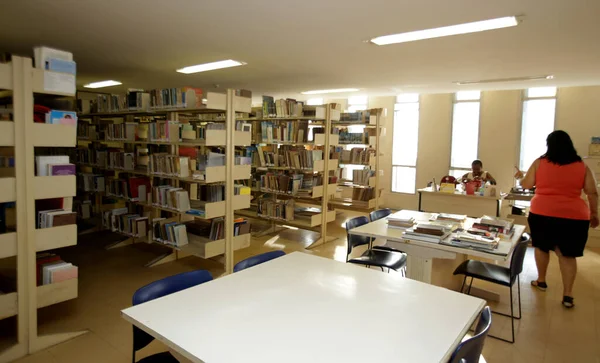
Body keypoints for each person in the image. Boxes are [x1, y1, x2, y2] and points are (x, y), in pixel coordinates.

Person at [515, 130, 599, 308]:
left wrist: (521, 178)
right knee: (567, 254)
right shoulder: (582, 166)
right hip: (575, 216)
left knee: (541, 247)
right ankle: (568, 295)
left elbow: (527, 184)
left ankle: (542, 281)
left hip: (542, 212)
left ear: (549, 145)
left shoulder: (539, 163)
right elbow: (592, 192)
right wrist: (594, 214)